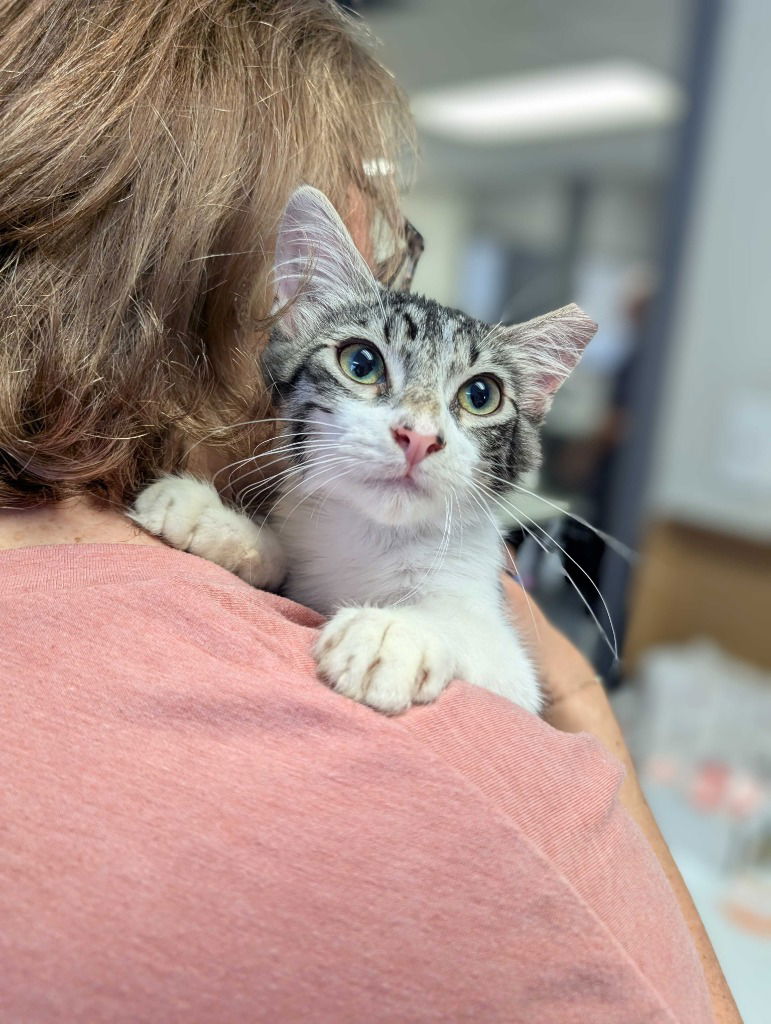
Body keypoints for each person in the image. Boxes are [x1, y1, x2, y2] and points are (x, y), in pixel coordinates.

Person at [0, 2, 739, 1022]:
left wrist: (427, 631)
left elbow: (489, 656)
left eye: (477, 398)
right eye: (365, 366)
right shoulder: (293, 514)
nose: (419, 429)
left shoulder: (448, 564)